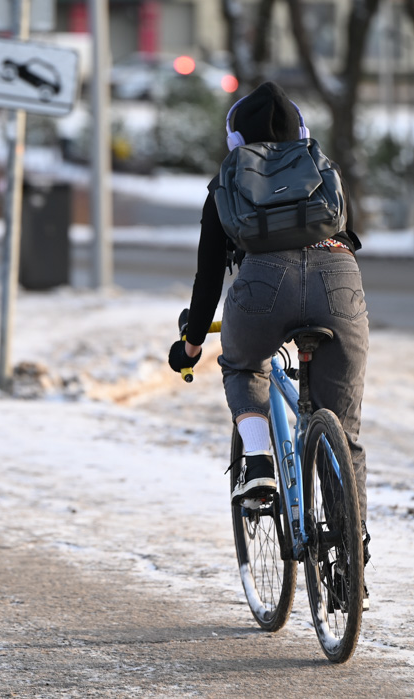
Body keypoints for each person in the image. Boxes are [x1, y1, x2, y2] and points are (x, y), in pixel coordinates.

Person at [167, 81, 370, 555]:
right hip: (339, 279)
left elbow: (208, 275)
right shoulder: (323, 167)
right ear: (301, 130)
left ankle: (257, 460)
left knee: (242, 365)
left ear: (234, 139)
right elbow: (348, 233)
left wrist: (191, 345)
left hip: (263, 287)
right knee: (343, 429)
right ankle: (351, 551)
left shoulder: (228, 180)